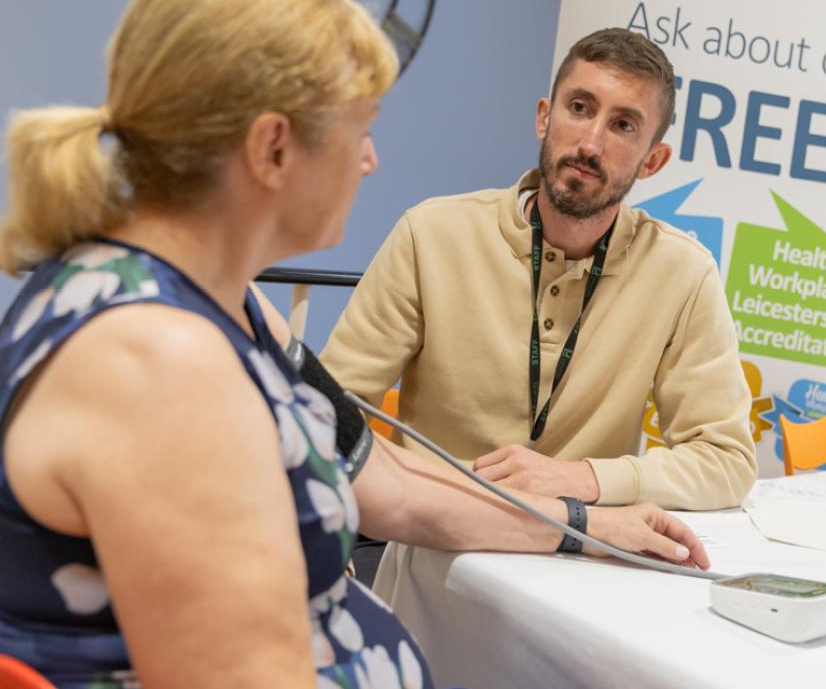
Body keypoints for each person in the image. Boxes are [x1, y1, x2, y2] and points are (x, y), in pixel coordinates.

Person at [0, 0, 709, 689]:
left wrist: (585, 522)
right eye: (359, 128)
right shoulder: (155, 362)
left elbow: (396, 490)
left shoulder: (228, 308)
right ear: (274, 148)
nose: (370, 159)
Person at [320, 28, 756, 513]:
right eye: (580, 108)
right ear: (545, 118)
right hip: (435, 539)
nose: (591, 142)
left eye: (624, 125)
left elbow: (727, 462)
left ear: (652, 161)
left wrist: (583, 478)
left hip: (586, 553)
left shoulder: (683, 273)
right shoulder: (431, 234)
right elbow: (328, 411)